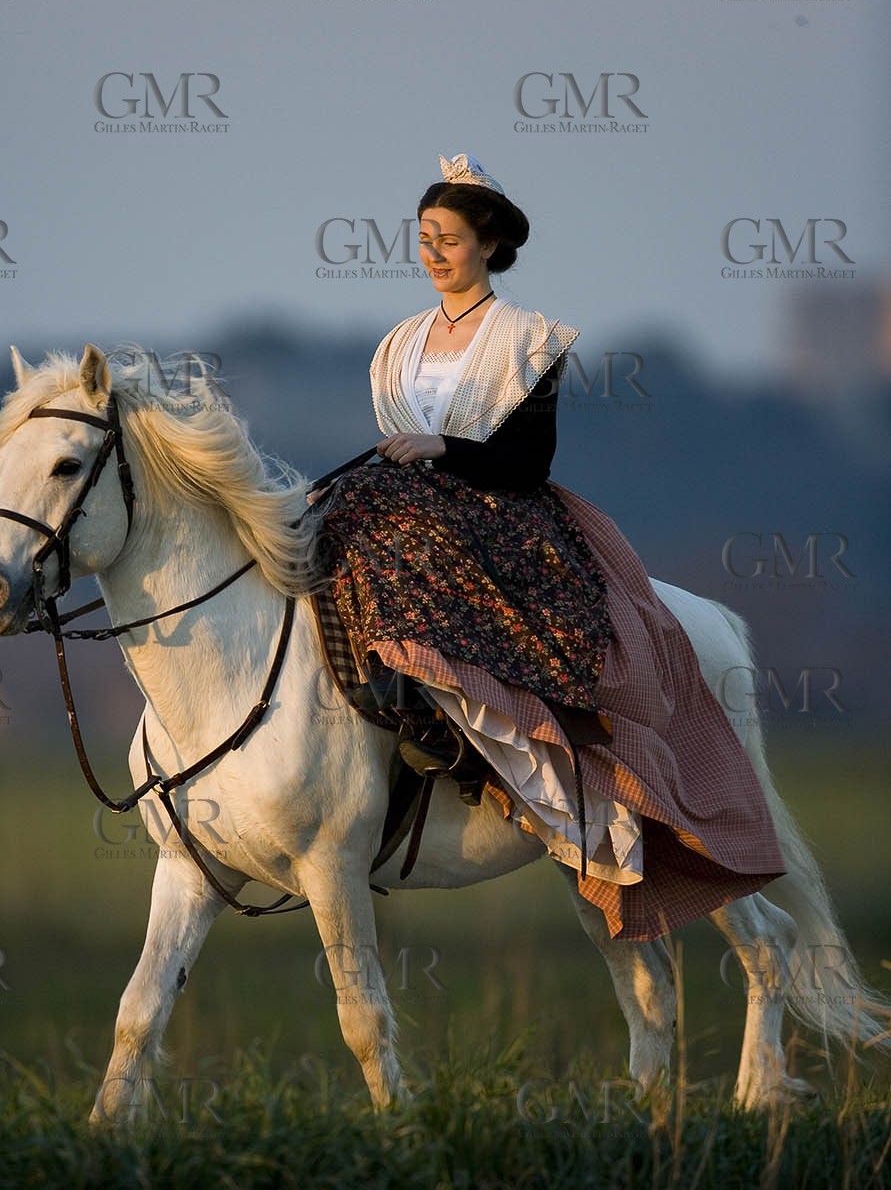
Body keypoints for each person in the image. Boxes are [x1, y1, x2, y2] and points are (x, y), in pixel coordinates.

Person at [311, 153, 785, 942]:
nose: (432, 254)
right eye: (423, 237)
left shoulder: (526, 339)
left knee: (407, 572)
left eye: (449, 240)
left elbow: (529, 464)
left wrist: (440, 449)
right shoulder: (394, 344)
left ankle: (465, 730)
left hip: (499, 512)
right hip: (407, 505)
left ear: (489, 247)